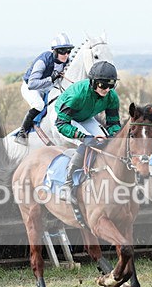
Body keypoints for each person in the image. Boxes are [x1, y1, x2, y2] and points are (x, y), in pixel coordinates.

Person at [54, 60, 121, 202]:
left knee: (104, 141)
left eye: (111, 85)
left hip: (86, 117)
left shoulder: (112, 96)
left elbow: (113, 123)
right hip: (65, 117)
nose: (107, 89)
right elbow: (61, 124)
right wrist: (83, 137)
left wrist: (116, 136)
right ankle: (67, 184)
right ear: (93, 82)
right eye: (103, 84)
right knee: (87, 144)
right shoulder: (77, 95)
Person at [15, 33, 74, 145]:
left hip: (47, 87)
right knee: (39, 105)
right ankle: (22, 133)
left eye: (68, 51)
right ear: (54, 51)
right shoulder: (43, 61)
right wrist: (50, 79)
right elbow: (32, 84)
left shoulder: (66, 61)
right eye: (62, 51)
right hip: (31, 87)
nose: (66, 54)